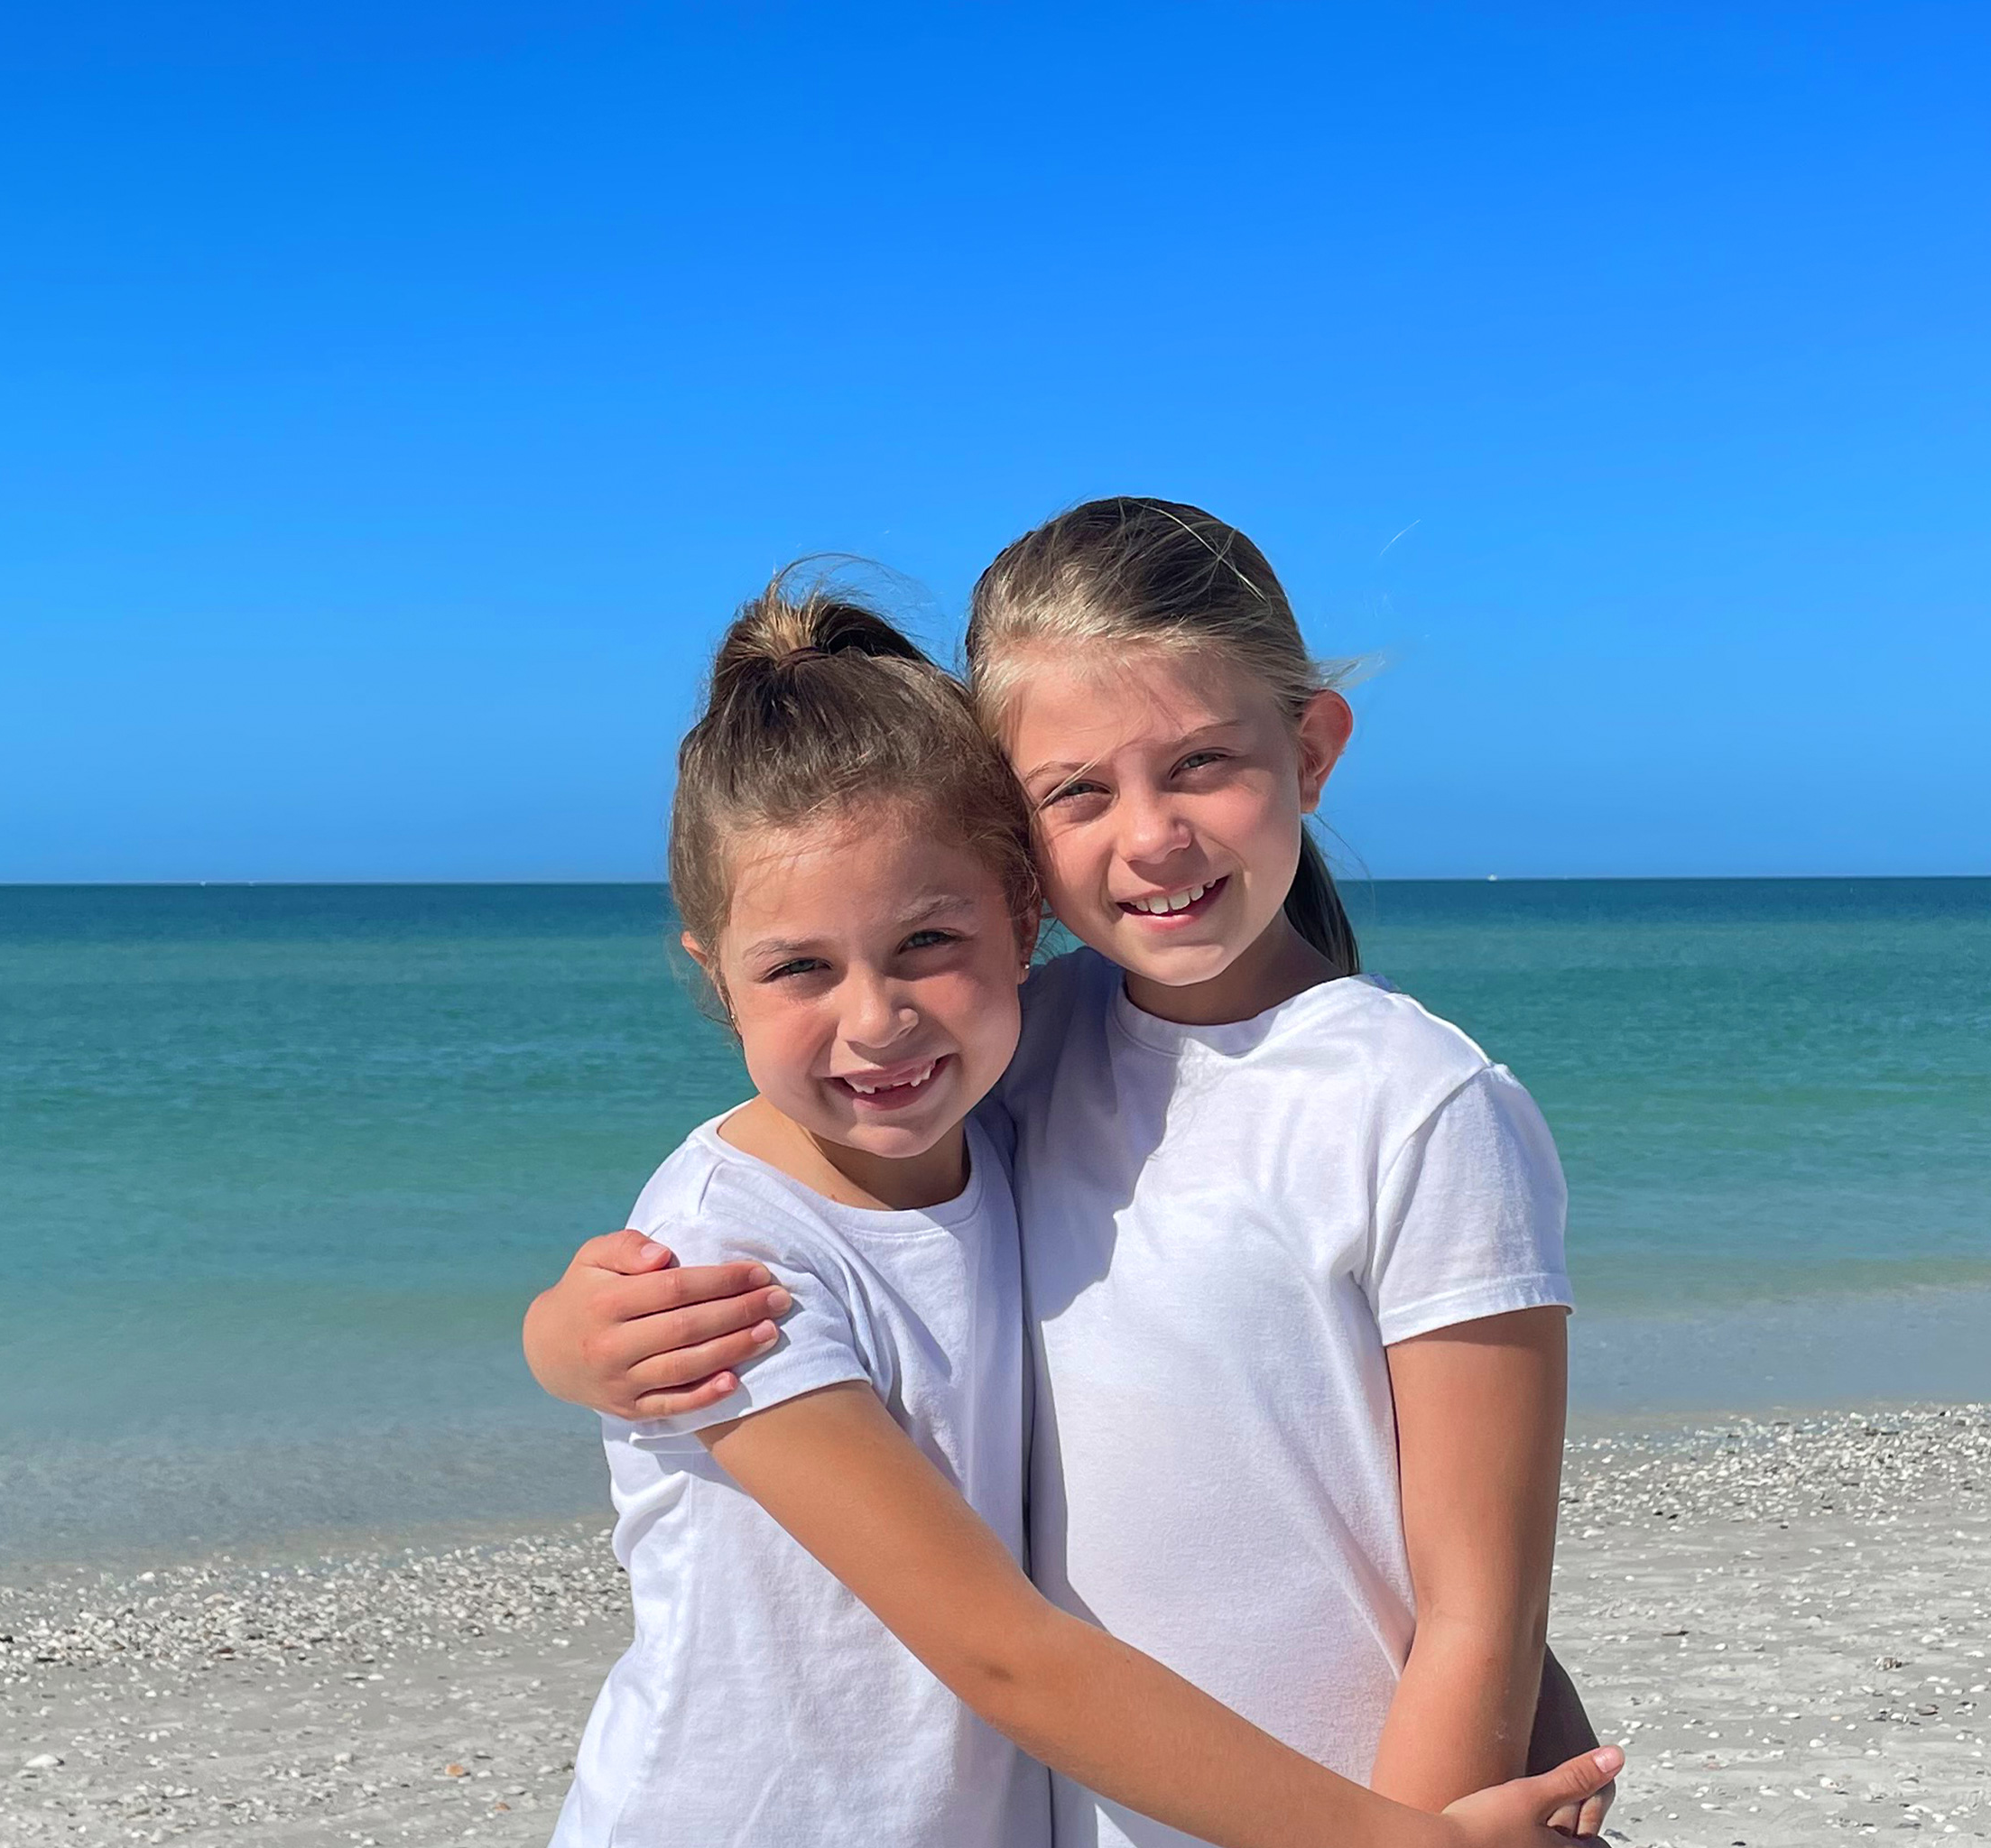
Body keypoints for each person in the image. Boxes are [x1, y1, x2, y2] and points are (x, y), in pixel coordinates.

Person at [531, 502, 1607, 1846]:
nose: (1151, 837)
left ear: (1313, 749)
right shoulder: (1017, 1058)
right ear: (1019, 844)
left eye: (1202, 763)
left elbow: (1478, 1603)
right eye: (1078, 791)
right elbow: (802, 1168)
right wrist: (570, 1338)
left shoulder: (1418, 1106)